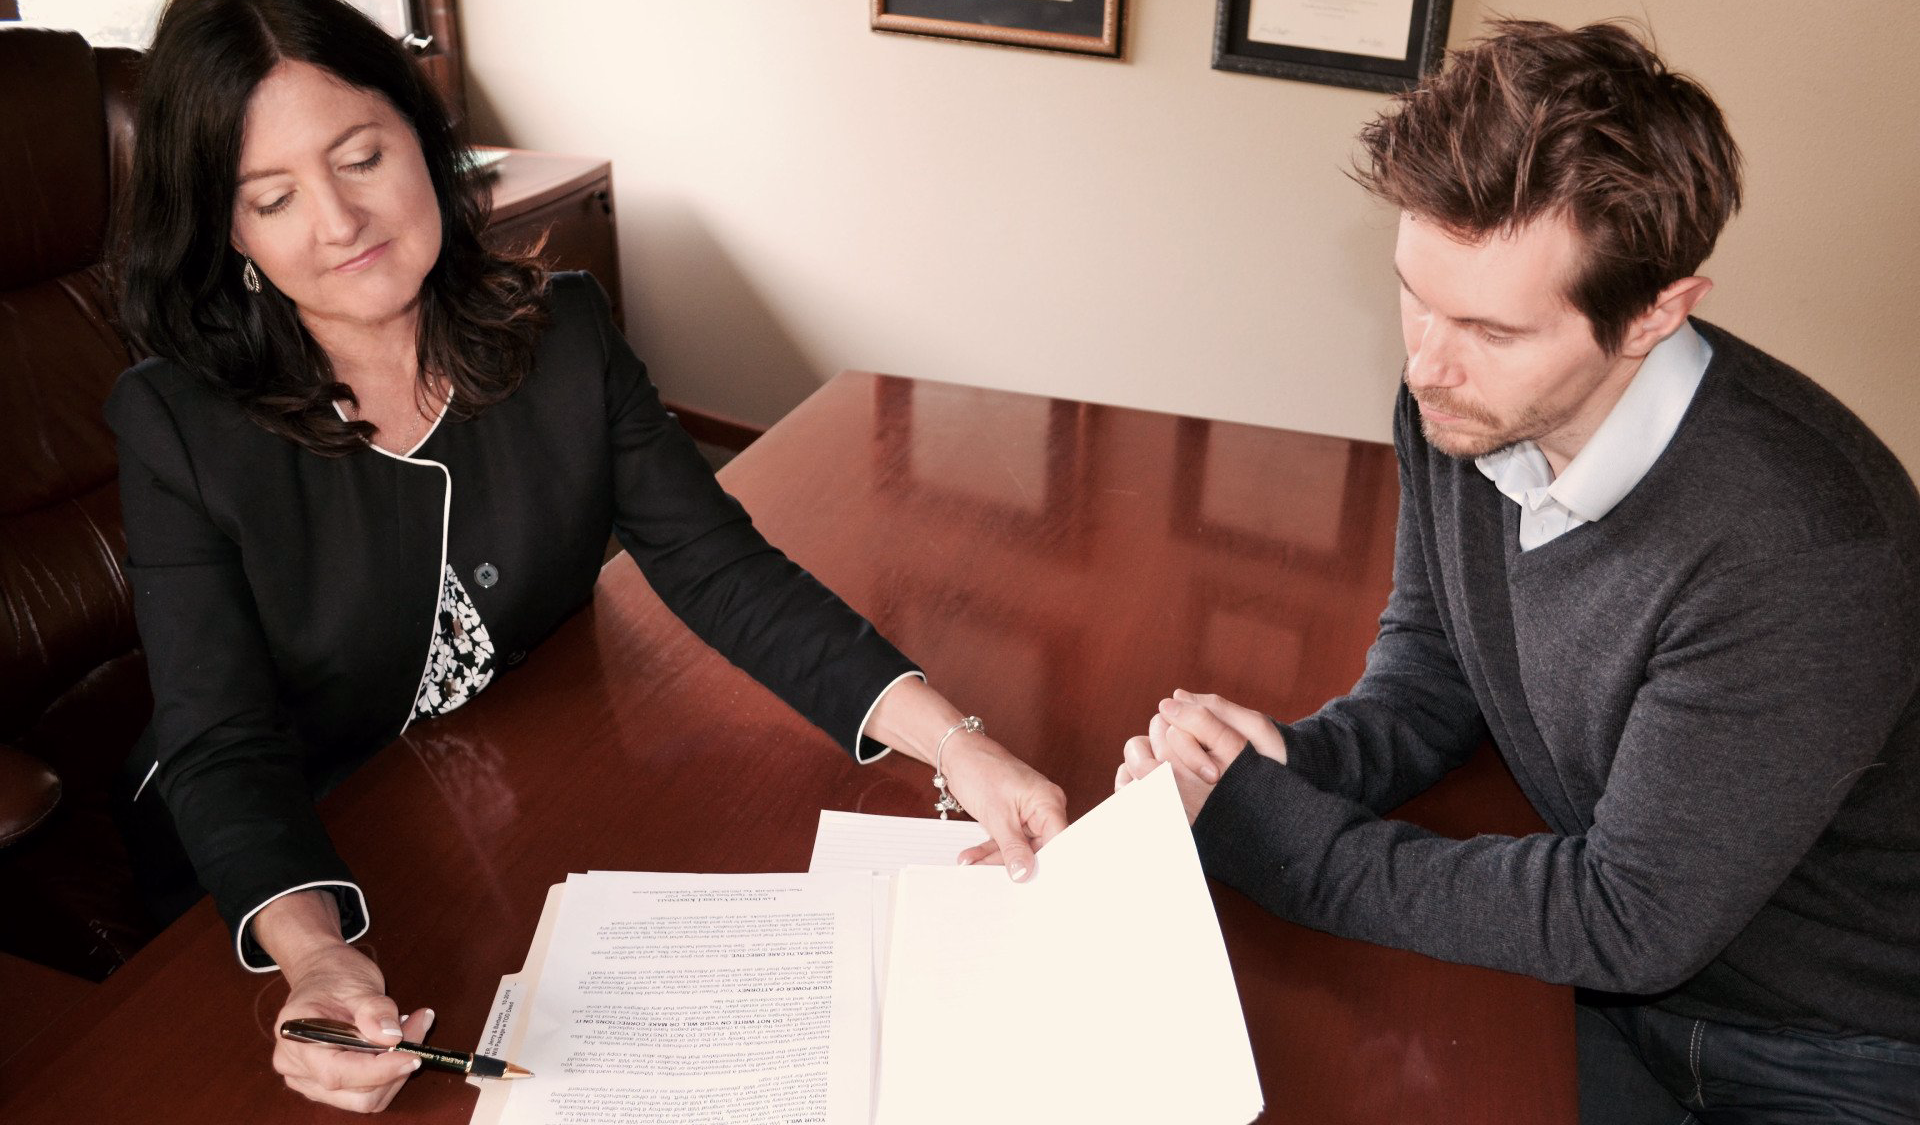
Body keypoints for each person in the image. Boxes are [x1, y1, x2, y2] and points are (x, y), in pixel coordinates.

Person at [109, 0, 1066, 1111]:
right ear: (232, 236)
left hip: (503, 789)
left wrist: (957, 745)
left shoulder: (560, 333)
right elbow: (220, 743)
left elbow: (721, 571)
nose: (338, 220)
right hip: (283, 856)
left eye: (362, 156)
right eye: (272, 199)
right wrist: (314, 954)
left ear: (423, 134)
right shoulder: (178, 424)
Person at [1116, 20, 1919, 1123]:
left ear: (1654, 313)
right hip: (1603, 985)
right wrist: (1301, 763)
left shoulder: (1806, 551)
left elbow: (1629, 918)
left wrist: (1269, 831)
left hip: (1829, 1045)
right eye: (1415, 294)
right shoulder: (1461, 406)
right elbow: (1438, 659)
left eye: (1491, 328)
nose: (1426, 363)